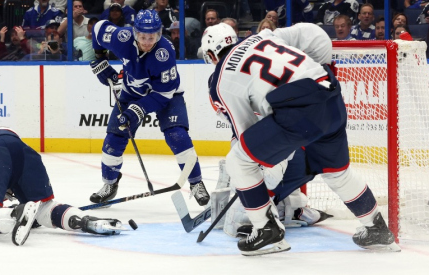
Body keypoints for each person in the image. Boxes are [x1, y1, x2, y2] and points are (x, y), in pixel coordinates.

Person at [201, 22, 400, 255]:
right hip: (329, 92)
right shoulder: (263, 36)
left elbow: (245, 134)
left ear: (212, 54)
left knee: (238, 161)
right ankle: (378, 230)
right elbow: (314, 34)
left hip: (298, 111)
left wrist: (251, 184)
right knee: (336, 172)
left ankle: (267, 232)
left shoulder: (219, 81)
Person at [89, 9, 210, 206]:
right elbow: (98, 29)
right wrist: (100, 58)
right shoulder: (121, 38)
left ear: (159, 34)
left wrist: (136, 111)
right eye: (143, 37)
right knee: (114, 137)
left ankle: (196, 183)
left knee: (177, 135)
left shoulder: (164, 53)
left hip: (167, 94)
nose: (147, 41)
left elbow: (162, 95)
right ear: (135, 33)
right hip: (131, 91)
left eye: (151, 37)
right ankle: (109, 184)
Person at [0, 127, 126, 246]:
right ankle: (84, 221)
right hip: (21, 149)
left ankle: (15, 213)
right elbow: (39, 208)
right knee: (45, 208)